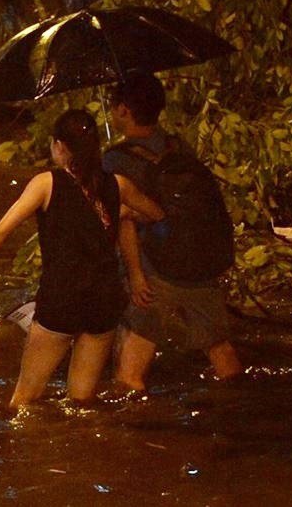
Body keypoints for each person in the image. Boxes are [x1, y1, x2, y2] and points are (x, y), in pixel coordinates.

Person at [0, 109, 162, 408]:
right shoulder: (118, 185)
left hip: (62, 299)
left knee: (25, 398)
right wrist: (124, 214)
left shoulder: (46, 184)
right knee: (82, 402)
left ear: (60, 146)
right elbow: (155, 213)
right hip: (104, 299)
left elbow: (1, 231)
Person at [102, 73, 243, 391]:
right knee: (220, 350)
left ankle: (132, 418)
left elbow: (124, 220)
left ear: (124, 110)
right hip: (197, 262)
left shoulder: (116, 160)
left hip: (154, 271)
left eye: (114, 106)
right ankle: (240, 402)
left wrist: (136, 276)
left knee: (129, 375)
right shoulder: (178, 146)